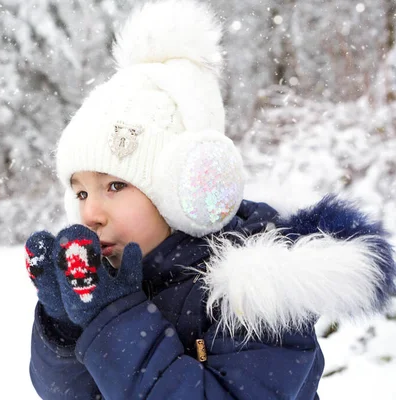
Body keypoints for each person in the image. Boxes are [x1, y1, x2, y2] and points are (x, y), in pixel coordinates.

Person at [24, 1, 396, 399]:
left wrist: (113, 320)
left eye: (115, 186)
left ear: (186, 185)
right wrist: (66, 327)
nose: (90, 213)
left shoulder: (257, 292)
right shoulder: (125, 281)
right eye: (80, 192)